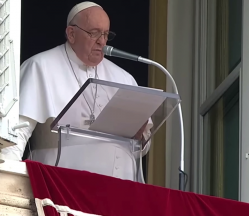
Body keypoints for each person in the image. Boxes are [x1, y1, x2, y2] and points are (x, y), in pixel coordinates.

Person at [1, 1, 152, 182]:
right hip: (59, 186)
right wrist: (6, 177)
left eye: (105, 34)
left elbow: (142, 146)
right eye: (94, 33)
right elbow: (17, 132)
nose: (102, 41)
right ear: (71, 33)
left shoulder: (124, 78)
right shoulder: (40, 67)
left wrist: (140, 138)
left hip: (116, 188)